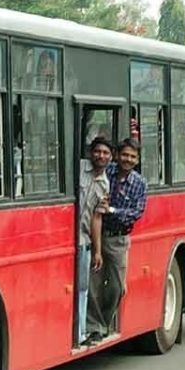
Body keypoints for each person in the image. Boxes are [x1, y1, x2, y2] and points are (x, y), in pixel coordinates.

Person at [87, 138, 147, 344]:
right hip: (96, 234)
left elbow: (135, 213)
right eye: (124, 155)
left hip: (119, 239)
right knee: (92, 283)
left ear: (137, 160)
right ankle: (95, 327)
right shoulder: (107, 172)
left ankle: (104, 321)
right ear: (117, 155)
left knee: (117, 287)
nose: (127, 160)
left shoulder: (139, 183)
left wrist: (112, 210)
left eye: (132, 157)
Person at [77, 137, 111, 347]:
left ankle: (80, 332)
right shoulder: (79, 168)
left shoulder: (105, 184)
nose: (101, 156)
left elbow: (97, 219)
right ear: (91, 152)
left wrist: (97, 250)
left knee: (82, 287)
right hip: (64, 235)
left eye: (106, 153)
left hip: (83, 240)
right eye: (98, 151)